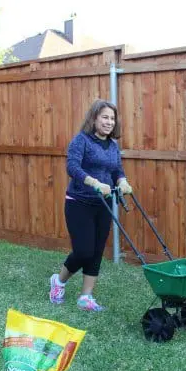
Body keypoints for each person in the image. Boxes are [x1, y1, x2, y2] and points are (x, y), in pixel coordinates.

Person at [49, 99, 133, 311]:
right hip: (79, 202)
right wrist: (94, 182)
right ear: (94, 118)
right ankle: (59, 282)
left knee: (96, 251)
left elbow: (116, 170)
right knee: (84, 251)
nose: (109, 122)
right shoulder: (81, 141)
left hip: (103, 204)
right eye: (105, 117)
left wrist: (122, 181)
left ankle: (86, 297)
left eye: (112, 118)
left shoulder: (113, 146)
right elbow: (72, 167)